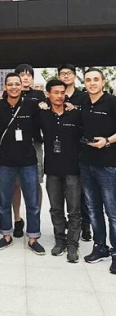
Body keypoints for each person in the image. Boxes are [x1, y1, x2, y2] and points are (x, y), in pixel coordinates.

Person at [0, 72, 45, 255]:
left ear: (22, 86)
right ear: (5, 87)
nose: (14, 87)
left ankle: (33, 237)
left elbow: (46, 120)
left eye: (17, 84)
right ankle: (6, 235)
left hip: (28, 160)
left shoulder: (31, 105)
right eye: (10, 84)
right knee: (4, 201)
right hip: (5, 161)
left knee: (32, 202)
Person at [40, 79, 81, 263]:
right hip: (52, 169)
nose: (59, 96)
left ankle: (73, 244)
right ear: (48, 94)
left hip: (72, 169)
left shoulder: (74, 114)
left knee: (74, 209)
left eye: (62, 93)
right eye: (55, 92)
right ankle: (60, 240)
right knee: (56, 208)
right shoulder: (42, 114)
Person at [80, 68, 116, 274]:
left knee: (113, 212)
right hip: (86, 164)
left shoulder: (112, 102)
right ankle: (100, 247)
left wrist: (107, 141)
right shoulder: (84, 103)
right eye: (88, 80)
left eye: (96, 79)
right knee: (93, 210)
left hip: (108, 165)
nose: (92, 83)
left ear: (103, 82)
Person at [57, 63, 92, 242]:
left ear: (75, 76)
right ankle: (65, 224)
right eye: (62, 73)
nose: (66, 76)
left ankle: (85, 224)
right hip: (61, 150)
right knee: (62, 191)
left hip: (81, 147)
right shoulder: (56, 95)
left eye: (69, 73)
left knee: (82, 190)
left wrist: (75, 109)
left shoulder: (83, 97)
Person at [12, 63, 45, 238]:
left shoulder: (39, 95)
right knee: (15, 184)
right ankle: (17, 219)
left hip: (34, 144)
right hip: (14, 146)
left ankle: (35, 218)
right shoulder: (9, 94)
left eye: (28, 75)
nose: (25, 78)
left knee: (35, 182)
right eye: (21, 75)